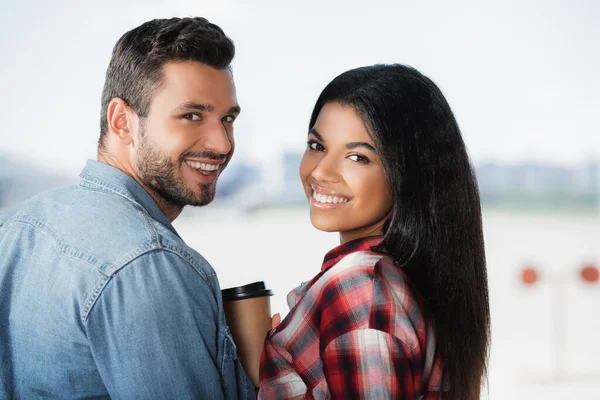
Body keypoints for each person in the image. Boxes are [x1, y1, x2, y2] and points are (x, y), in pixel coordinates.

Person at [0, 17, 255, 399]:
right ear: (123, 122)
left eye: (228, 119)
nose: (221, 143)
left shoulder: (19, 224)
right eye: (191, 116)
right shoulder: (151, 264)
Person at [258, 64, 491, 399]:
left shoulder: (360, 292)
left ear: (407, 173)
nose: (321, 171)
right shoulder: (398, 278)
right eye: (317, 145)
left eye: (357, 157)